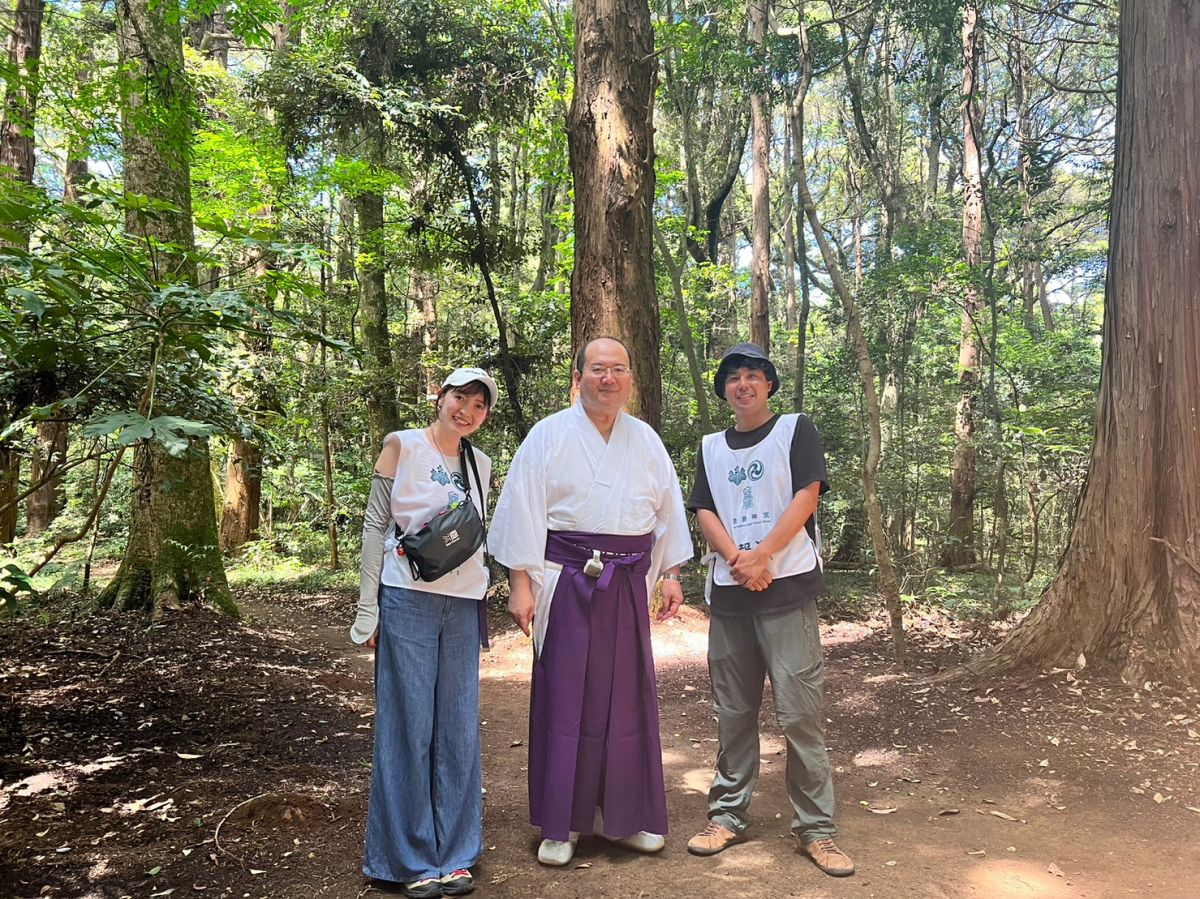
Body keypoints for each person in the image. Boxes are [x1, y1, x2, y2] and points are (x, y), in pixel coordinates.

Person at [488, 337, 693, 867]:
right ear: (579, 377)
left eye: (619, 369)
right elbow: (523, 510)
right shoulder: (549, 435)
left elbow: (667, 512)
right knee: (565, 699)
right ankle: (564, 823)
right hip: (566, 576)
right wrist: (520, 584)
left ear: (631, 379)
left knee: (626, 700)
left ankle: (624, 819)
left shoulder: (645, 440)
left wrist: (670, 573)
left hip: (628, 580)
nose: (609, 378)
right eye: (598, 369)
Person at [684, 342, 854, 877]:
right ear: (724, 390)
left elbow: (808, 496)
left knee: (800, 713)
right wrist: (737, 558)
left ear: (769, 385)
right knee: (734, 712)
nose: (744, 384)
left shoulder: (795, 430)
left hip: (787, 589)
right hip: (731, 592)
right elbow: (704, 508)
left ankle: (817, 830)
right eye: (734, 377)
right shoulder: (711, 446)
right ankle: (728, 815)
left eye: (754, 375)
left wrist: (764, 556)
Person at [351, 367, 499, 899]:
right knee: (408, 725)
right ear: (441, 396)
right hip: (407, 598)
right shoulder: (402, 445)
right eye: (461, 398)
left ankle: (456, 855)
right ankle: (410, 860)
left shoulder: (479, 463)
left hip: (462, 604)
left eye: (479, 405)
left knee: (457, 729)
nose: (468, 411)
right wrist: (368, 607)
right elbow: (374, 525)